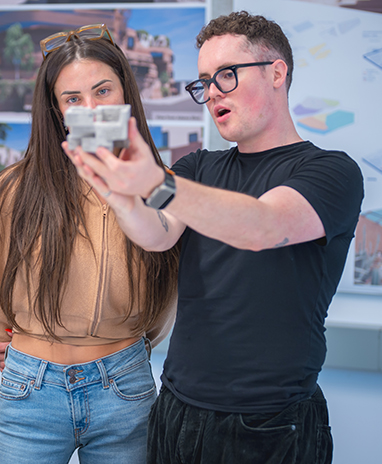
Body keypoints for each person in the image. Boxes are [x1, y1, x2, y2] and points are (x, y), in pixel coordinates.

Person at [65, 11, 364, 464]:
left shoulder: (331, 171)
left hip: (269, 420)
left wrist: (155, 184)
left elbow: (264, 226)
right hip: (177, 410)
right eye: (205, 82)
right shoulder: (198, 167)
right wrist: (121, 195)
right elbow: (157, 235)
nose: (212, 95)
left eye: (227, 75)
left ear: (277, 72)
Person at [0, 24, 180, 464]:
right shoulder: (12, 188)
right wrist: (10, 339)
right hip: (31, 386)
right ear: (56, 110)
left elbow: (167, 282)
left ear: (126, 93)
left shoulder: (162, 185)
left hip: (124, 386)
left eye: (102, 91)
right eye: (73, 99)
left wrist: (129, 343)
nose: (90, 108)